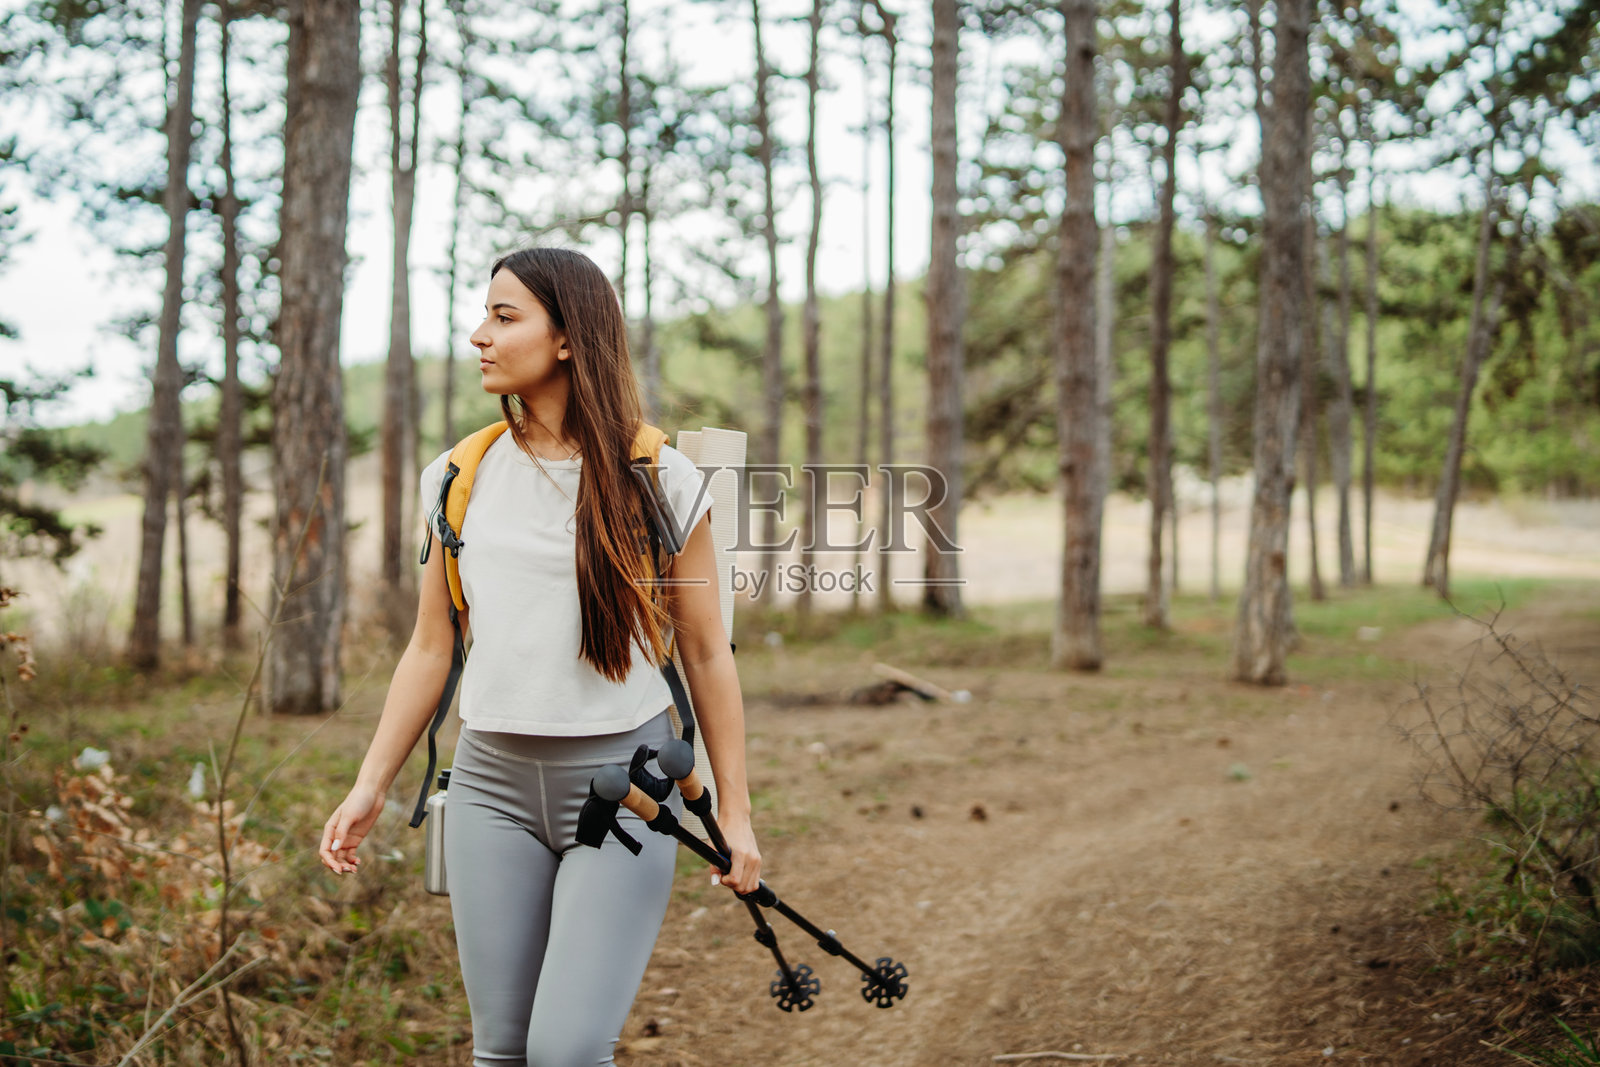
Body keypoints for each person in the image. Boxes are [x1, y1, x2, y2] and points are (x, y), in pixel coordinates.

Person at [317, 247, 761, 1067]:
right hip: (490, 788)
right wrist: (369, 783)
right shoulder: (458, 475)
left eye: (504, 315)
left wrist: (733, 807)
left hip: (629, 789)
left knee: (565, 1053)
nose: (480, 334)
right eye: (485, 314)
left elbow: (705, 650)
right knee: (503, 1052)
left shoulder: (661, 476)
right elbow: (431, 643)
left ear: (567, 338)